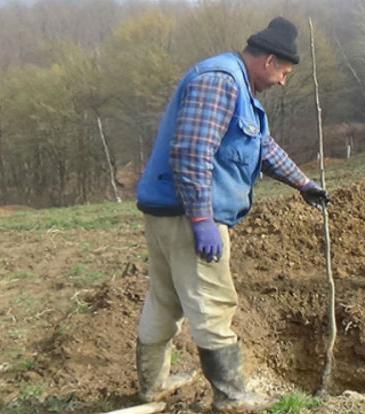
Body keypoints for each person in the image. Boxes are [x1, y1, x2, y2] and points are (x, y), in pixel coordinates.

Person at [134, 17, 329, 412]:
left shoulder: (235, 84)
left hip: (169, 211)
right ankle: (232, 398)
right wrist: (202, 220)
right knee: (214, 303)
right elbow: (191, 152)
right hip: (188, 216)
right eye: (285, 73)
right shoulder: (220, 81)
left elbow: (262, 146)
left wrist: (303, 183)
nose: (283, 82)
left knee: (165, 300)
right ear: (269, 60)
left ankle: (152, 388)